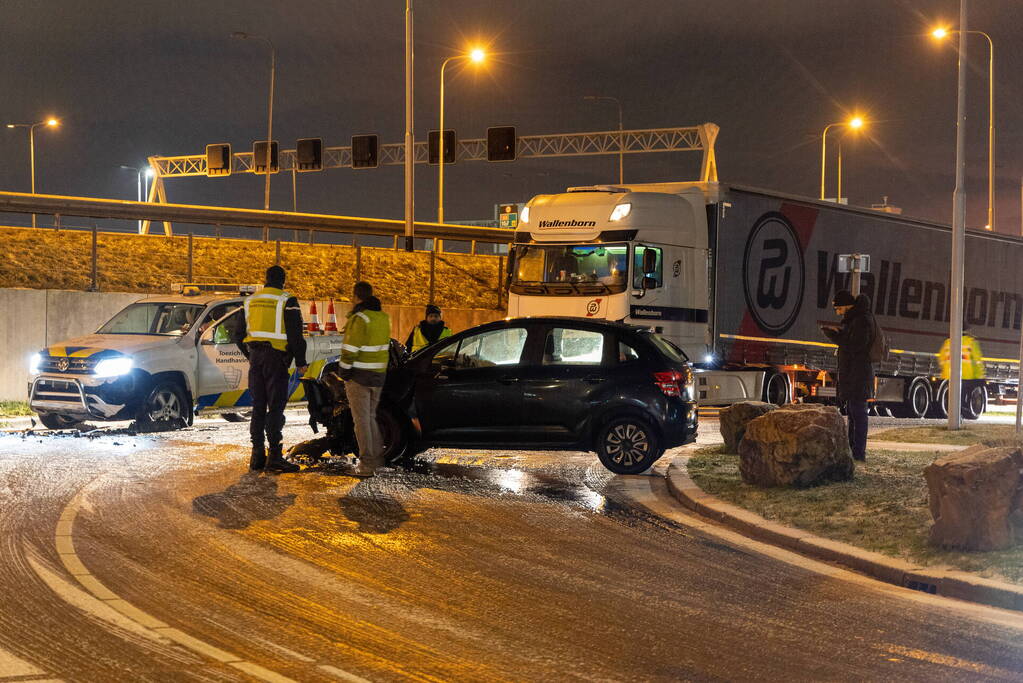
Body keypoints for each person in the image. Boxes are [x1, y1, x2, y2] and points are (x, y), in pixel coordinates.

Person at [238, 266, 307, 473]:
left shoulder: (250, 301)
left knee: (258, 406)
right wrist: (301, 361)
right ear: (283, 280)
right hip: (276, 359)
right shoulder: (288, 300)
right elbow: (296, 335)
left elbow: (237, 335)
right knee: (276, 407)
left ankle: (257, 455)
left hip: (256, 358)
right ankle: (275, 457)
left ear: (265, 279)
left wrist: (251, 355)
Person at [339, 281, 391, 478]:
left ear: (356, 297)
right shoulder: (382, 317)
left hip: (359, 376)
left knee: (361, 421)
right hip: (378, 375)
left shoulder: (360, 318)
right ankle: (377, 459)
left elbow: (350, 350)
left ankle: (367, 464)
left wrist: (343, 372)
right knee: (370, 418)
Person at [821, 290, 876, 462]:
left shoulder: (862, 320)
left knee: (858, 414)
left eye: (838, 309)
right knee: (853, 413)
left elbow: (855, 345)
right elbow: (852, 342)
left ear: (846, 305)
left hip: (858, 374)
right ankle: (854, 451)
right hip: (854, 373)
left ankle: (859, 453)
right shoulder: (857, 319)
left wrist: (834, 336)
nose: (837, 312)